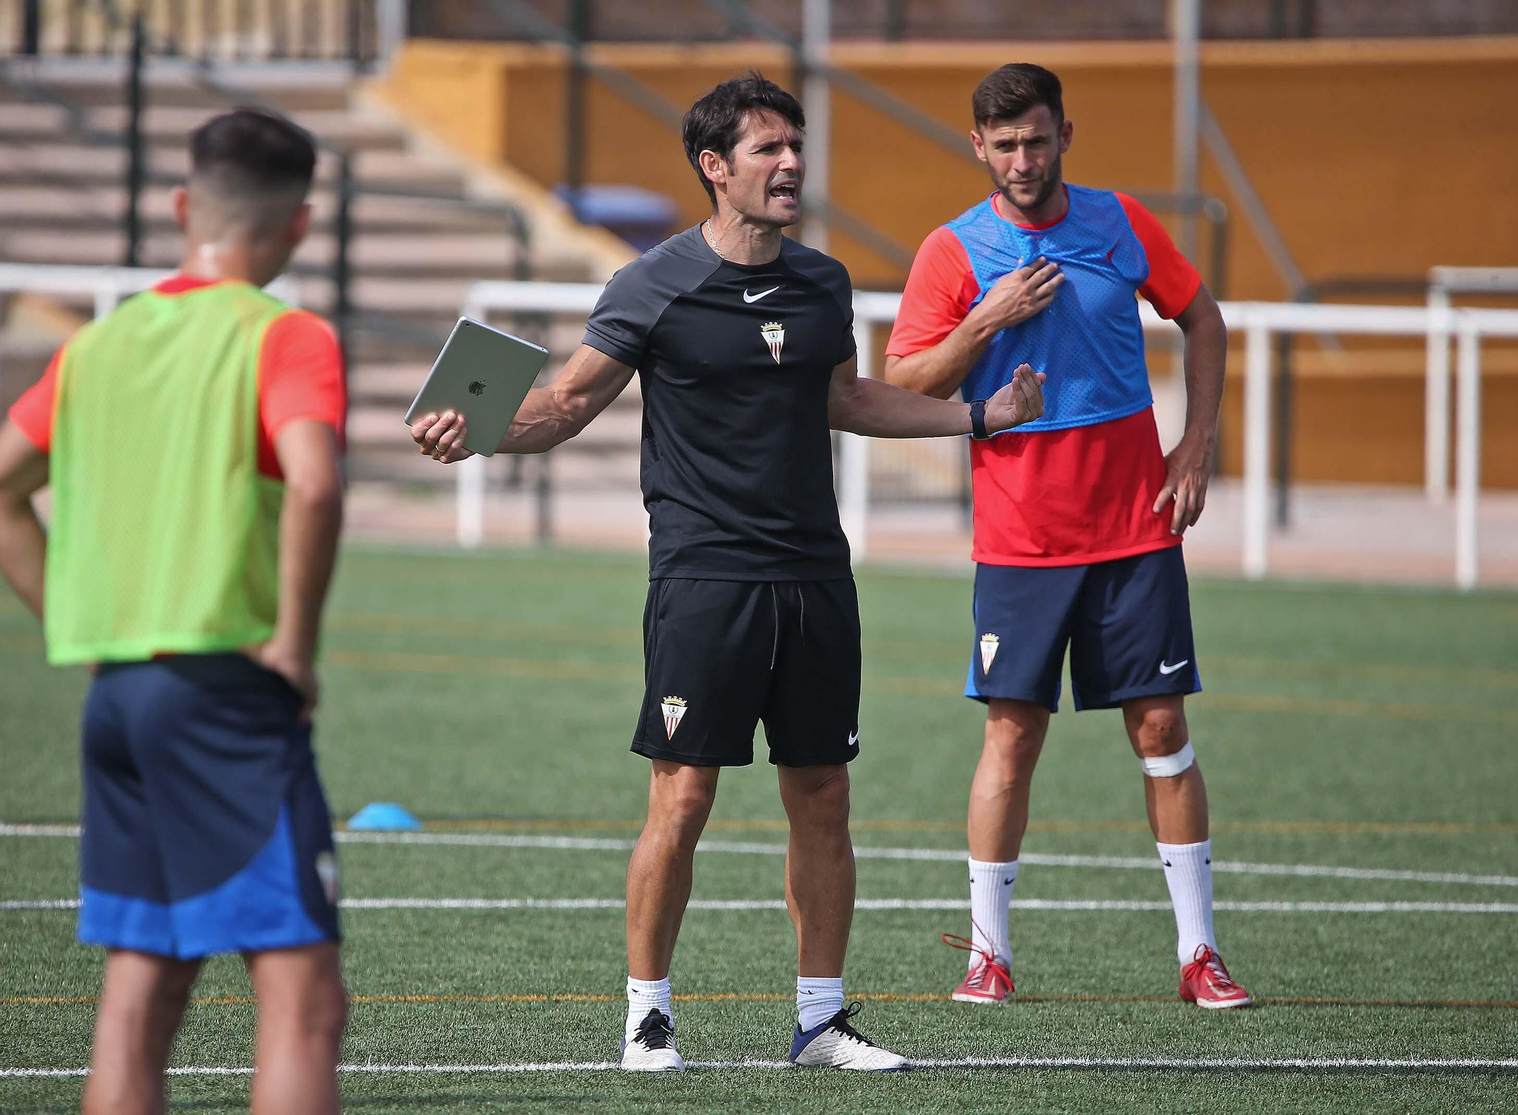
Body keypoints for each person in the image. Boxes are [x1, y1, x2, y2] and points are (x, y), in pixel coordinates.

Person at [410, 72, 1045, 1071]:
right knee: (684, 796)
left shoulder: (822, 282)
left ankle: (822, 1017)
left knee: (823, 793)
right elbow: (569, 403)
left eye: (794, 145)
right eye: (767, 149)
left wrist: (978, 416)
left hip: (815, 578)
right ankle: (648, 1014)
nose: (790, 162)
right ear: (714, 167)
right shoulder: (648, 284)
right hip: (704, 578)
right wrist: (476, 430)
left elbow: (849, 399)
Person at [0, 108, 350, 1112]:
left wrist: (71, 614)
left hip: (119, 697)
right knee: (303, 1000)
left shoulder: (98, 346)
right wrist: (294, 643)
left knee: (140, 989)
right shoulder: (283, 333)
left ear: (183, 206)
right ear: (300, 226)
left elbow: (1, 486)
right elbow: (318, 485)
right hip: (221, 693)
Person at [884, 63, 1250, 1010]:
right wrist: (985, 321)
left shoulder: (1118, 221)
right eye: (1002, 144)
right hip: (1020, 539)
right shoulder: (952, 250)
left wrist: (1195, 443)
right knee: (1013, 735)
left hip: (1136, 528)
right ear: (978, 146)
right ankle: (989, 954)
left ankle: (1200, 953)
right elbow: (907, 383)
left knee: (1163, 727)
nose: (1021, 159)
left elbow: (1202, 318)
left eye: (1036, 139)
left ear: (1064, 136)